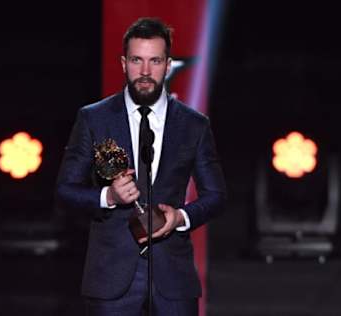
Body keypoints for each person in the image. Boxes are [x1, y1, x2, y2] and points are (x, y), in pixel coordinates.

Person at [56, 17, 226, 316]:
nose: (145, 72)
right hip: (111, 277)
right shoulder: (94, 118)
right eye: (137, 60)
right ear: (123, 63)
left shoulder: (193, 124)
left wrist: (181, 217)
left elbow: (216, 195)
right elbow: (66, 189)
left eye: (155, 61)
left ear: (168, 65)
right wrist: (108, 197)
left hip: (173, 277)